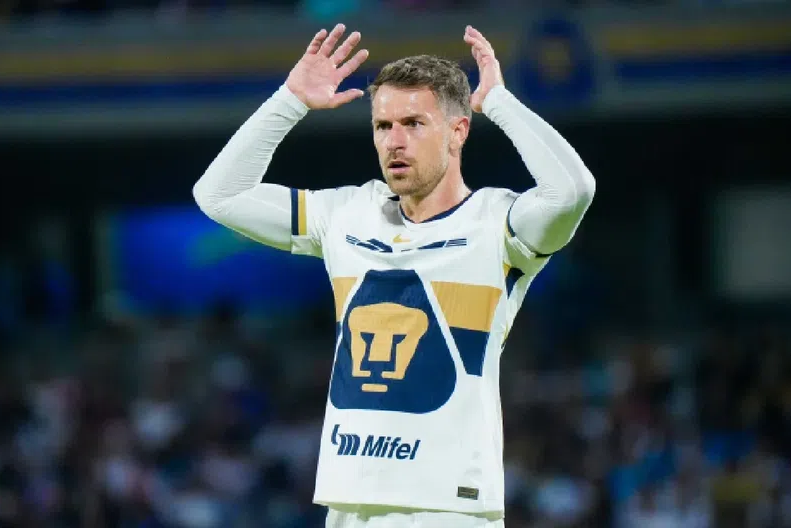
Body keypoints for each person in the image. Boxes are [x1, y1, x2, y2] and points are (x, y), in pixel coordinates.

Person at [193, 22, 595, 528]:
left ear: (458, 131)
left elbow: (573, 191)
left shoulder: (499, 225)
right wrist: (289, 101)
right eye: (383, 126)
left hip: (446, 507)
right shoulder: (347, 214)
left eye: (413, 123)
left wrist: (497, 102)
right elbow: (218, 195)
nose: (395, 142)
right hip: (349, 501)